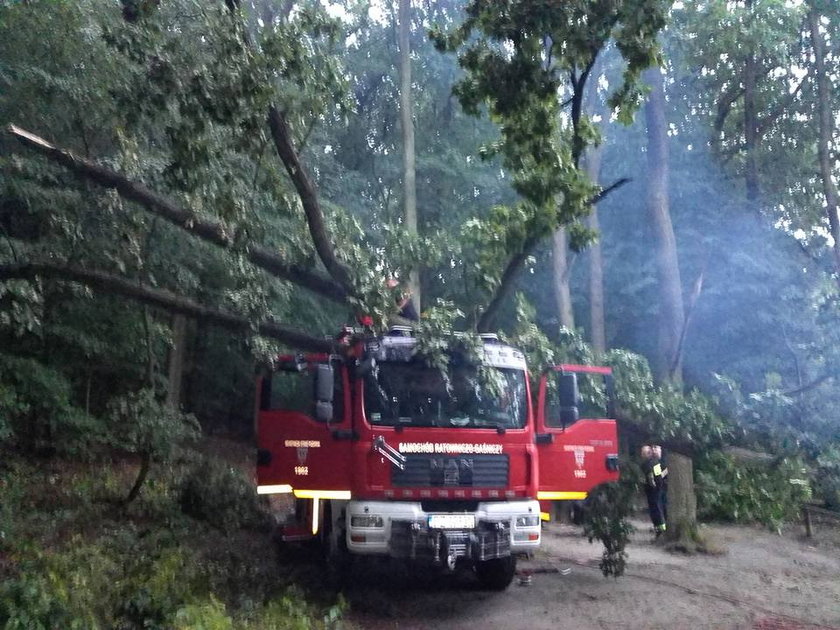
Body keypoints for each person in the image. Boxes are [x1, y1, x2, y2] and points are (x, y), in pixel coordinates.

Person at [640, 444, 666, 537]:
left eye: (644, 453)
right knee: (653, 510)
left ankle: (661, 529)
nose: (642, 455)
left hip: (655, 490)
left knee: (657, 509)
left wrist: (655, 486)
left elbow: (658, 477)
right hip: (650, 490)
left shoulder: (654, 463)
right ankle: (657, 528)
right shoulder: (646, 463)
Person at [652, 444, 668, 523]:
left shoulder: (665, 459)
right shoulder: (655, 461)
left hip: (666, 487)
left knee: (664, 507)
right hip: (659, 487)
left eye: (656, 448)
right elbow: (659, 476)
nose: (654, 450)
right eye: (653, 448)